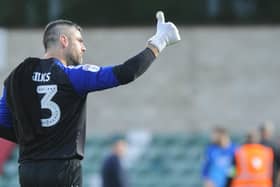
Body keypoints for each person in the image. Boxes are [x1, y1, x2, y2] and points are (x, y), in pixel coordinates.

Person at [0, 11, 181, 187]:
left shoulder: (16, 77)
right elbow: (126, 72)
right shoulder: (72, 76)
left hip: (28, 171)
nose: (84, 47)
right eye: (79, 41)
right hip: (61, 169)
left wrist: (34, 138)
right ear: (64, 41)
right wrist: (158, 42)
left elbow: (2, 125)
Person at [259, 121, 280, 187]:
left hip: (272, 176)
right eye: (263, 131)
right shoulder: (258, 144)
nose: (264, 133)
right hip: (261, 177)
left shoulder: (274, 146)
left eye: (265, 131)